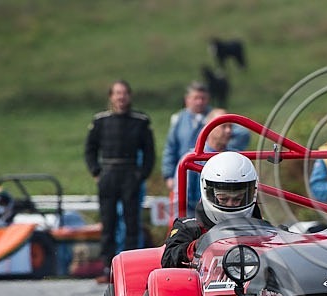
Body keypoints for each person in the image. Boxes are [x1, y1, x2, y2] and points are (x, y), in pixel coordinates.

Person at [85, 79, 155, 283]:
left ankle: (132, 269)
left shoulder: (140, 121)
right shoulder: (100, 121)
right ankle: (107, 267)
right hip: (108, 173)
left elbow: (149, 151)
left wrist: (141, 174)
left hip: (130, 174)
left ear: (129, 96)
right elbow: (90, 149)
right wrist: (96, 172)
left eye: (124, 93)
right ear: (111, 96)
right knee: (108, 223)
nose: (121, 97)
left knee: (132, 222)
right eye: (117, 93)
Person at [162, 82, 250, 217]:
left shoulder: (233, 158)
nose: (228, 131)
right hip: (198, 211)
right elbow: (170, 147)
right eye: (196, 98)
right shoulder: (180, 122)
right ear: (187, 100)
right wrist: (168, 174)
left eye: (203, 98)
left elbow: (244, 133)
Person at [161, 152, 259, 268]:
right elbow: (168, 259)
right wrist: (196, 246)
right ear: (209, 193)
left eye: (237, 199)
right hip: (201, 283)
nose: (230, 204)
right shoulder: (189, 228)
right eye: (223, 199)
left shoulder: (261, 229)